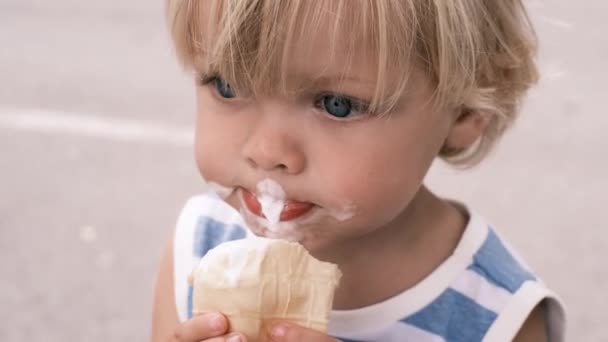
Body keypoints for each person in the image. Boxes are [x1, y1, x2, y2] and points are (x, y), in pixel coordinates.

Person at [151, 1, 566, 341]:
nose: (265, 152)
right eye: (227, 86)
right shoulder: (199, 246)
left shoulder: (498, 317)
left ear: (467, 110)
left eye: (337, 105)